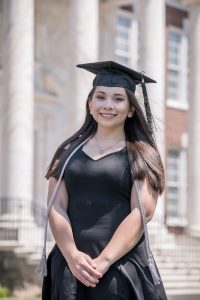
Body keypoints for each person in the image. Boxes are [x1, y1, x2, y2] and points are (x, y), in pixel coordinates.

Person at [39, 61, 168, 300]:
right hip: (70, 269)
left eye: (118, 99)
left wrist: (104, 261)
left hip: (121, 269)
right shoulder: (67, 152)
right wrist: (72, 255)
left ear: (131, 109)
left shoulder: (141, 155)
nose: (108, 105)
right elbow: (55, 206)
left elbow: (141, 213)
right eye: (100, 97)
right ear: (90, 104)